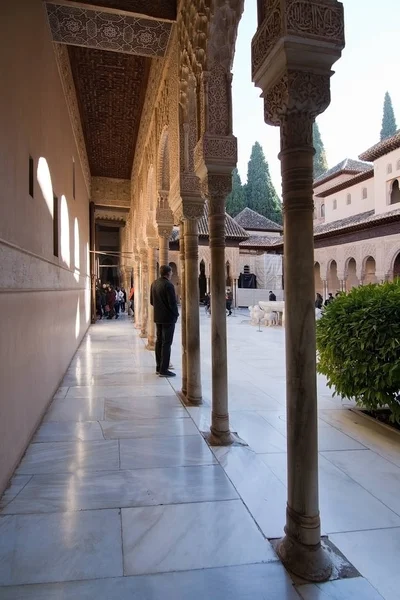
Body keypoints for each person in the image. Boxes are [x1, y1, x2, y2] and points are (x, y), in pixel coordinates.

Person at [150, 265, 179, 378]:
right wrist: (176, 314)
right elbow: (172, 303)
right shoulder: (168, 285)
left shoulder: (154, 283)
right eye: (171, 272)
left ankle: (158, 367)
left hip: (158, 317)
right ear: (168, 273)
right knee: (167, 343)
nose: (172, 274)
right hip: (168, 318)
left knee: (159, 342)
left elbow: (152, 302)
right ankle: (164, 369)